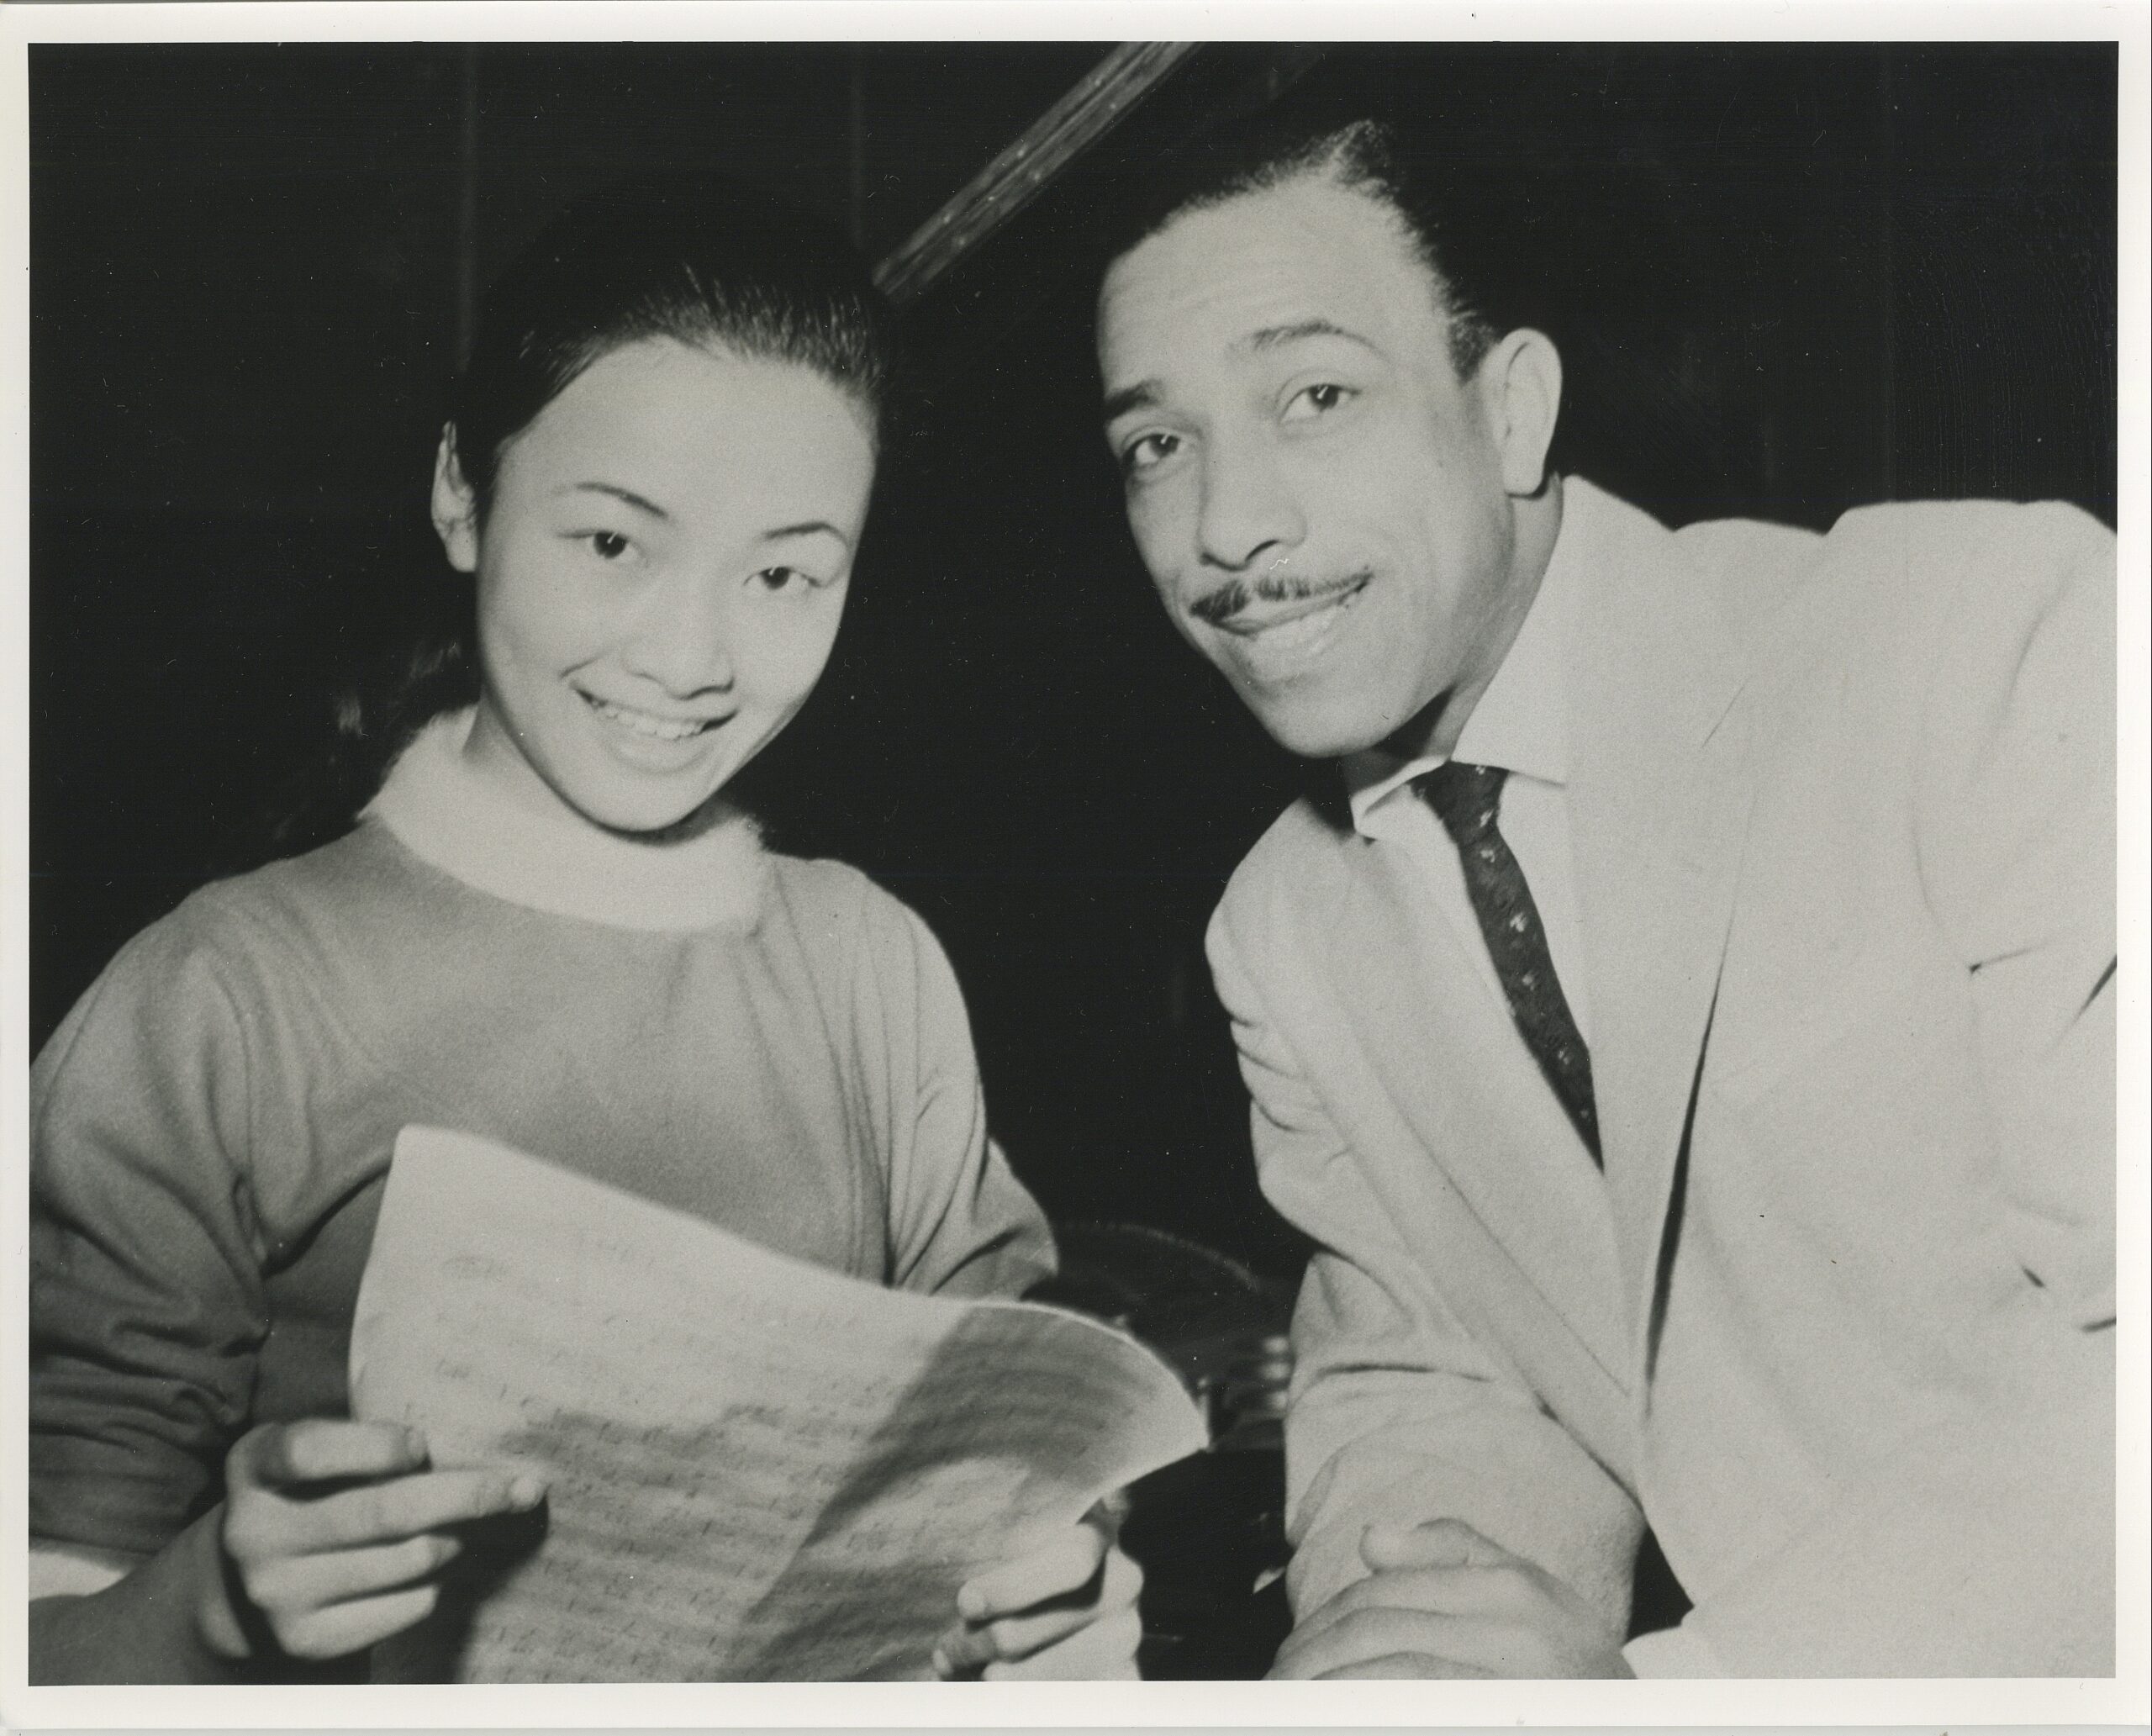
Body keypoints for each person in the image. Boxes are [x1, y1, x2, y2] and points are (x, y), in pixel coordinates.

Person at [29, 175, 1141, 1685]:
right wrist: (209, 1607)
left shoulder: (871, 969)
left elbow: (1016, 1443)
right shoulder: (221, 999)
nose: (690, 656)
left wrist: (1051, 1589)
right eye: (614, 544)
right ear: (461, 495)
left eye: (784, 573)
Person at [1093, 115, 2115, 1677]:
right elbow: (1439, 1369)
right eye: (1157, 446)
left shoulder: (1985, 639)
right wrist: (1412, 1655)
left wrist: (1674, 1692)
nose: (1227, 527)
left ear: (1512, 410)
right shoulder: (1282, 926)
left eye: (1316, 396)